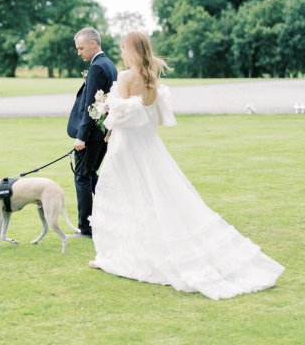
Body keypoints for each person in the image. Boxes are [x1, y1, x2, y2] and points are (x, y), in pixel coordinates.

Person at [88, 31, 285, 300]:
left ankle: (121, 256)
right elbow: (154, 119)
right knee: (155, 196)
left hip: (127, 147)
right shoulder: (152, 80)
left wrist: (107, 116)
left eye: (123, 48)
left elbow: (121, 117)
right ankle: (132, 253)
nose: (121, 52)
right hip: (149, 146)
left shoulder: (124, 77)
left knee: (126, 196)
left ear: (132, 50)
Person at [67, 27, 118, 237]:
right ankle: (115, 211)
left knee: (82, 177)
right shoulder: (109, 64)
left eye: (81, 48)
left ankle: (86, 227)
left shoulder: (98, 67)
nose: (79, 53)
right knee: (90, 176)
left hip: (92, 135)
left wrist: (81, 137)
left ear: (93, 44)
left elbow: (91, 106)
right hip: (102, 133)